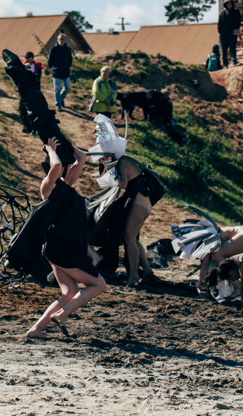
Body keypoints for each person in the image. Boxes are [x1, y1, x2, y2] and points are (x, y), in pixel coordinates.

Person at [25, 137, 108, 339]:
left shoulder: (66, 185)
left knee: (69, 291)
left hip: (64, 247)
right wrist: (50, 149)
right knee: (99, 285)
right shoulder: (48, 186)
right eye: (66, 165)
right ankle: (62, 315)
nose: (69, 167)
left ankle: (36, 330)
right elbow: (56, 165)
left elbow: (83, 158)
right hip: (63, 248)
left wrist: (68, 143)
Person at [93, 148, 163, 286]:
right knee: (133, 239)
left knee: (129, 239)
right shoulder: (126, 160)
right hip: (142, 201)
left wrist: (111, 172)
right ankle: (147, 270)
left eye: (103, 158)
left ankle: (134, 275)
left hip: (138, 202)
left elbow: (123, 183)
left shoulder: (122, 163)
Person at [197, 225, 243, 294]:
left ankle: (237, 286)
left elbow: (205, 265)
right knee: (218, 257)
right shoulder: (210, 234)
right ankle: (235, 286)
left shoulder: (206, 240)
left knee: (217, 255)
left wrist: (200, 284)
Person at [17, 52, 44, 133]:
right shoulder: (22, 66)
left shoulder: (37, 66)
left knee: (34, 110)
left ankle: (35, 129)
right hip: (24, 91)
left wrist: (28, 73)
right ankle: (28, 127)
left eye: (29, 59)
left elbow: (37, 78)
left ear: (32, 58)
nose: (28, 62)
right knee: (23, 110)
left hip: (34, 91)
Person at [48, 32, 73, 111]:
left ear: (65, 40)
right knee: (57, 89)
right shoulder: (54, 49)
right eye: (60, 39)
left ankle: (60, 98)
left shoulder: (68, 49)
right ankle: (58, 104)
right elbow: (50, 61)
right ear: (57, 40)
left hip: (65, 72)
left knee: (67, 88)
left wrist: (67, 66)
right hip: (56, 72)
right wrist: (53, 67)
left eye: (62, 39)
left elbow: (70, 60)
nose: (61, 40)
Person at [218, 0, 241, 67]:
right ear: (226, 5)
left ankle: (234, 61)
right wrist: (221, 33)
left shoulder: (236, 12)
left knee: (232, 48)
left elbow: (238, 22)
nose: (229, 5)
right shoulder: (222, 13)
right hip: (224, 34)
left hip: (232, 33)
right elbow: (219, 24)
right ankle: (225, 64)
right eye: (228, 4)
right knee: (224, 50)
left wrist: (237, 29)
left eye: (230, 3)